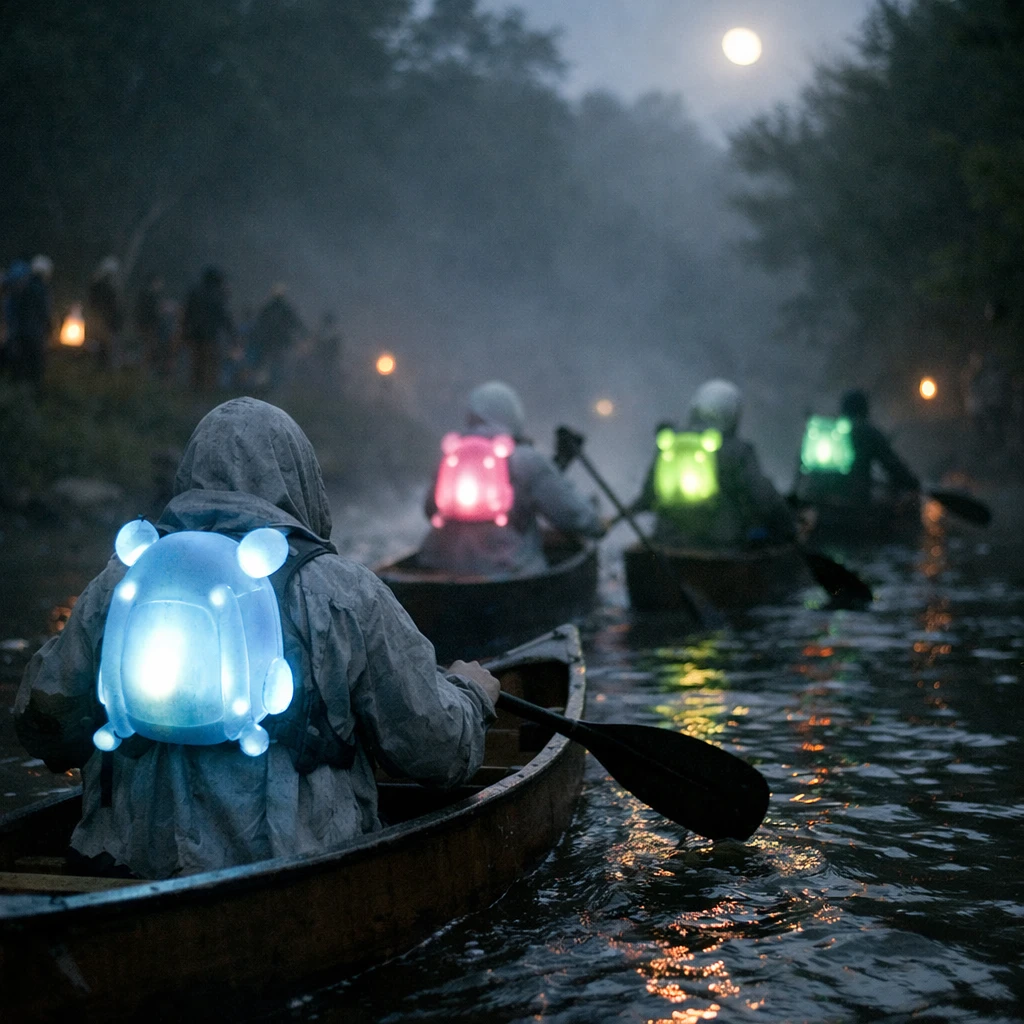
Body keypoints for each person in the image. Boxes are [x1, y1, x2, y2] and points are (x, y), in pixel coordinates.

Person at [14, 397, 499, 879]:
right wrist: (473, 696)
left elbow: (43, 727)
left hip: (125, 863)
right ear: (300, 479)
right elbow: (437, 752)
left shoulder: (121, 582)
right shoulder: (342, 592)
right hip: (294, 865)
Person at [418, 381, 604, 575]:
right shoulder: (527, 459)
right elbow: (573, 516)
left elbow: (430, 510)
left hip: (437, 564)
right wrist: (596, 523)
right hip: (506, 568)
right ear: (512, 416)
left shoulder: (450, 455)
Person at [632, 379, 796, 549]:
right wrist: (789, 528)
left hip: (668, 540)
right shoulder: (737, 450)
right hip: (721, 546)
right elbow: (763, 498)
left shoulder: (670, 443)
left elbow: (649, 495)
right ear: (733, 414)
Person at [796, 388, 920, 508]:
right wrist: (913, 484)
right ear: (864, 410)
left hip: (819, 501)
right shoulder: (868, 432)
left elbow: (803, 462)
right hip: (855, 505)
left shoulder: (830, 431)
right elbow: (893, 465)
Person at [181, 266, 235, 392]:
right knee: (210, 366)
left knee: (196, 364)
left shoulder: (194, 292)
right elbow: (224, 317)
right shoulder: (217, 295)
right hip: (210, 336)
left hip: (195, 334)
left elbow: (187, 314)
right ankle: (205, 393)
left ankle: (193, 390)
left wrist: (185, 332)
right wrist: (233, 334)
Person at [251, 283, 305, 390]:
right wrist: (304, 333)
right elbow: (296, 323)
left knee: (270, 363)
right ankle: (273, 384)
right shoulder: (284, 309)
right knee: (276, 363)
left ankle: (269, 385)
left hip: (270, 341)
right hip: (278, 341)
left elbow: (259, 324)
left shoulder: (269, 308)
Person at [86, 257, 124, 368]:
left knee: (101, 349)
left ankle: (99, 371)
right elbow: (112, 307)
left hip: (104, 322)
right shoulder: (107, 288)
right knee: (104, 350)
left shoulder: (96, 285)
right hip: (105, 323)